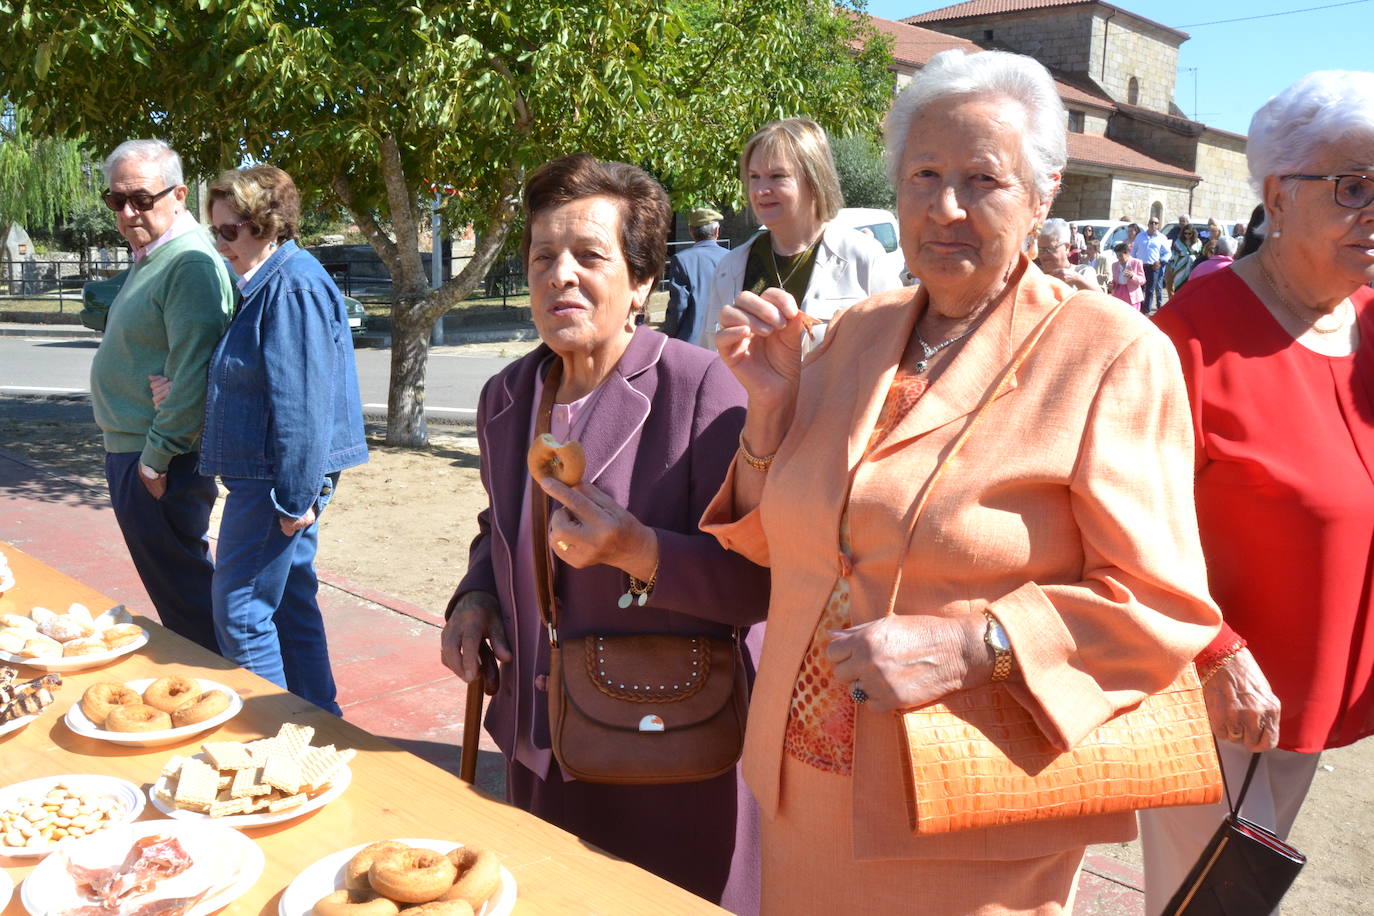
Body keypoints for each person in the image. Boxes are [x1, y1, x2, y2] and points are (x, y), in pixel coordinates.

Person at [702, 48, 1219, 915]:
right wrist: (768, 413)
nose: (945, 207)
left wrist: (979, 645)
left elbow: (1162, 604)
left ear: (1044, 194)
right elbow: (774, 546)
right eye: (924, 175)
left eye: (984, 179)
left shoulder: (1111, 354)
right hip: (800, 791)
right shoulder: (851, 338)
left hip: (967, 802)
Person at [440, 154, 770, 914]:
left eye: (589, 255)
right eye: (542, 255)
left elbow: (758, 582)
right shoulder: (507, 397)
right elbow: (499, 522)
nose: (560, 274)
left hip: (667, 751)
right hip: (539, 743)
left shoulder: (704, 390)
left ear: (644, 281)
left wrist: (637, 551)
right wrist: (476, 595)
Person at [1141, 70, 1374, 915]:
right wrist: (1212, 652)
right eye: (1356, 186)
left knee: (1248, 897)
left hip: (1322, 681)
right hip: (1218, 692)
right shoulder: (1192, 337)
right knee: (1206, 903)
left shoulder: (1370, 321)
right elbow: (1130, 524)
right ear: (1278, 195)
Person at [152, 166, 369, 714]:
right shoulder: (273, 280)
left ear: (264, 225)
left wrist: (297, 498)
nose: (219, 243)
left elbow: (302, 406)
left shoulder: (291, 284)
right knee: (291, 602)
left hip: (272, 481)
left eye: (227, 231)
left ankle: (271, 742)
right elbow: (259, 380)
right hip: (272, 476)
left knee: (241, 612)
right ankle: (320, 727)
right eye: (214, 231)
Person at [89, 139, 234, 652]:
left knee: (186, 594)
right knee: (180, 590)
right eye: (116, 200)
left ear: (179, 194)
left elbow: (194, 373)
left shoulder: (187, 262)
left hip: (158, 457)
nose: (128, 212)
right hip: (140, 449)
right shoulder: (154, 255)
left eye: (142, 199)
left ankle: (227, 701)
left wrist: (154, 460)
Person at [698, 117, 900, 349]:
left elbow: (895, 352)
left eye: (777, 176)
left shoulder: (863, 257)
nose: (761, 190)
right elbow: (712, 355)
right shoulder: (730, 267)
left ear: (815, 179)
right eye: (754, 177)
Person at [662, 207, 730, 345]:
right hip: (724, 340)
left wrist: (667, 335)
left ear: (691, 232)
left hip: (691, 343)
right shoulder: (731, 258)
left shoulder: (681, 260)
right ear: (717, 231)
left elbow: (678, 306)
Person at [1035, 218, 1099, 290]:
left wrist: (1078, 280)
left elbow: (1102, 299)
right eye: (1040, 250)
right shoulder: (1036, 276)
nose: (1043, 255)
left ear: (1067, 248)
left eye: (1048, 249)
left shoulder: (1083, 272)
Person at [1130, 216, 1171, 312]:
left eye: (1156, 223)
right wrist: (1132, 263)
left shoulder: (1162, 238)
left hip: (1153, 267)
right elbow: (1134, 250)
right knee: (1139, 288)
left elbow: (1168, 253)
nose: (1153, 225)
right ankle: (1138, 308)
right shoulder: (1140, 236)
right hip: (1140, 266)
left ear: (1158, 225)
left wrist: (1160, 261)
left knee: (1150, 290)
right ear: (1148, 224)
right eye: (1151, 222)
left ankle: (1146, 310)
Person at [1166, 223, 1202, 293]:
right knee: (1179, 289)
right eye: (1185, 233)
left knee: (1190, 289)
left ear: (1193, 233)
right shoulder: (1178, 242)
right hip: (1180, 267)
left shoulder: (1198, 243)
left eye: (1189, 233)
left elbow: (1199, 255)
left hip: (1192, 267)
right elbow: (1173, 255)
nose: (1187, 235)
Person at [1110, 241, 1145, 309]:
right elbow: (1114, 280)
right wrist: (1111, 284)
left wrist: (1133, 276)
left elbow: (1142, 280)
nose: (1119, 258)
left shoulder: (1136, 262)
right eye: (1117, 256)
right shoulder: (1114, 265)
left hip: (1132, 295)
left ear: (1128, 253)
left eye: (1121, 255)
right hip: (1118, 293)